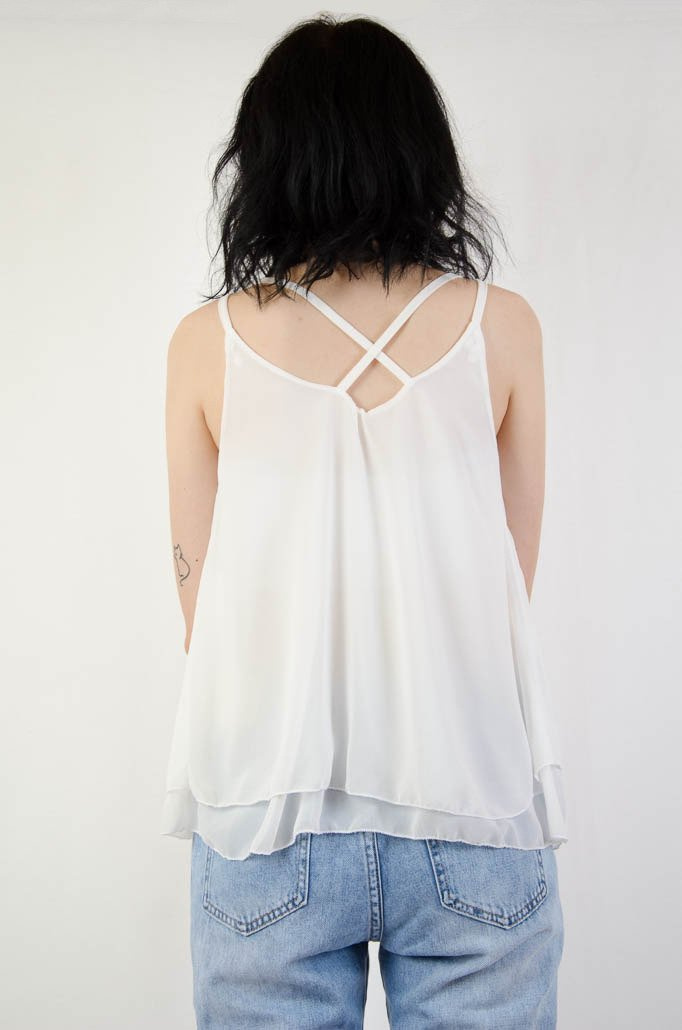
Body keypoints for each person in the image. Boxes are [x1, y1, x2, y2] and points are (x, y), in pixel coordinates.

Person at [162, 13, 567, 1029]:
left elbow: (201, 608)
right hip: (469, 802)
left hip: (271, 813)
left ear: (264, 161)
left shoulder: (206, 343)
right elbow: (506, 581)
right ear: (417, 149)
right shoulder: (503, 327)